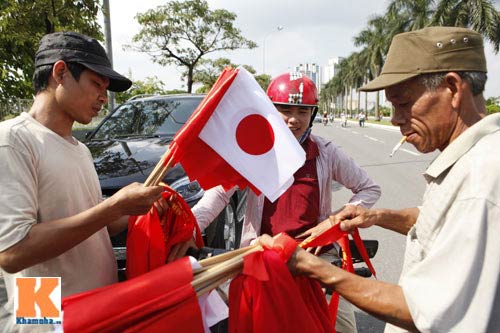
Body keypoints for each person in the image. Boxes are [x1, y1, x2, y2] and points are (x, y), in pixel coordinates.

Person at [268, 26, 500, 333]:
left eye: (403, 104)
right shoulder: (472, 163)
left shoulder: (481, 176)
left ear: (453, 89)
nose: (394, 119)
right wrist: (376, 216)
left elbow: (423, 312)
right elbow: (440, 222)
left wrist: (309, 266)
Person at [0, 32, 165, 333]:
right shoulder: (14, 139)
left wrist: (137, 209)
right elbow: (13, 252)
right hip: (47, 318)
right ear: (60, 73)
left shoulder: (80, 148)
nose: (103, 97)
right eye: (96, 84)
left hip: (97, 308)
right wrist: (113, 207)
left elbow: (95, 225)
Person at [193, 72, 381, 333]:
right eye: (285, 110)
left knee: (342, 327)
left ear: (313, 114)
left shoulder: (325, 152)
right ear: (269, 110)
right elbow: (219, 194)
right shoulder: (253, 149)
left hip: (315, 256)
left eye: (303, 111)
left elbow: (368, 188)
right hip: (262, 253)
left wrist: (332, 222)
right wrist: (190, 224)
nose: (294, 120)